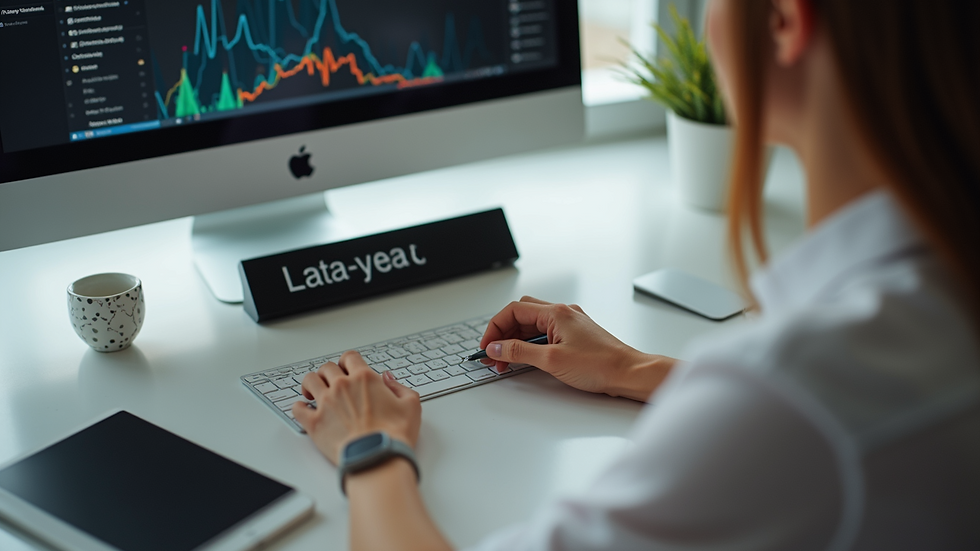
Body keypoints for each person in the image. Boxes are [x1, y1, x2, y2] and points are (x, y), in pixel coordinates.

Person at [292, 0, 980, 549]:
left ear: (782, 22)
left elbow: (796, 418)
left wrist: (370, 448)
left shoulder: (794, 399)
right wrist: (634, 366)